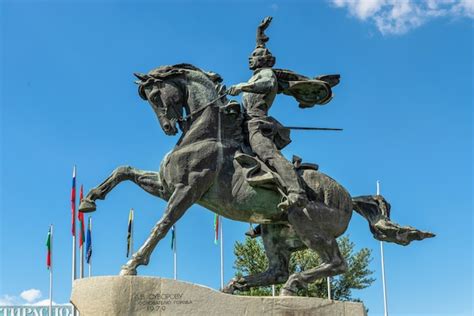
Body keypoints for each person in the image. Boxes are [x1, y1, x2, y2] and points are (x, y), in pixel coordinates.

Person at [227, 17, 307, 210]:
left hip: (257, 124)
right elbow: (260, 47)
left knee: (267, 154)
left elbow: (268, 84)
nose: (250, 58)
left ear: (263, 60)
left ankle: (296, 191)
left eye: (254, 55)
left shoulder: (267, 74)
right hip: (243, 123)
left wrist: (242, 86)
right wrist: (259, 33)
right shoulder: (256, 74)